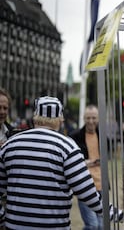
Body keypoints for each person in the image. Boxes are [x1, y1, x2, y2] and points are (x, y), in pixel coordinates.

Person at [0, 96, 102, 229]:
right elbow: (86, 191)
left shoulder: (10, 144)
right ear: (60, 120)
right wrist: (113, 212)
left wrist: (2, 219)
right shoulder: (68, 146)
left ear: (35, 117)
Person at [69, 104, 103, 230]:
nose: (91, 121)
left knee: (101, 225)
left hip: (101, 186)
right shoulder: (74, 136)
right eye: (88, 118)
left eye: (93, 118)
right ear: (84, 118)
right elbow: (72, 161)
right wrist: (90, 162)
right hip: (85, 186)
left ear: (98, 118)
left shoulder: (103, 136)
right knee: (92, 225)